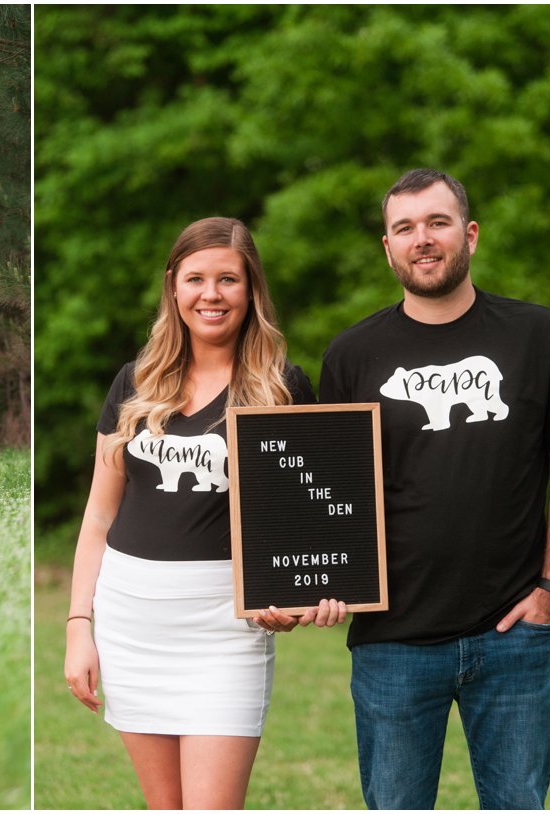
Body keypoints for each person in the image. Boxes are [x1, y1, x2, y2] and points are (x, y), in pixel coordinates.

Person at [64, 217, 346, 810]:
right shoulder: (134, 383)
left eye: (228, 280)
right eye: (196, 279)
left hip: (225, 629)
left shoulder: (282, 388)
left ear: (251, 291)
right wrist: (78, 628)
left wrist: (293, 601)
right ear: (173, 286)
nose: (211, 294)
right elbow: (97, 518)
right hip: (130, 622)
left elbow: (307, 527)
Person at [319, 168, 550, 810]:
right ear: (387, 246)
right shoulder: (352, 355)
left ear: (471, 233)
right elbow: (330, 493)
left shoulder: (539, 336)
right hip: (391, 640)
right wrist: (314, 579)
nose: (422, 239)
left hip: (512, 632)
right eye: (405, 227)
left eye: (437, 222)